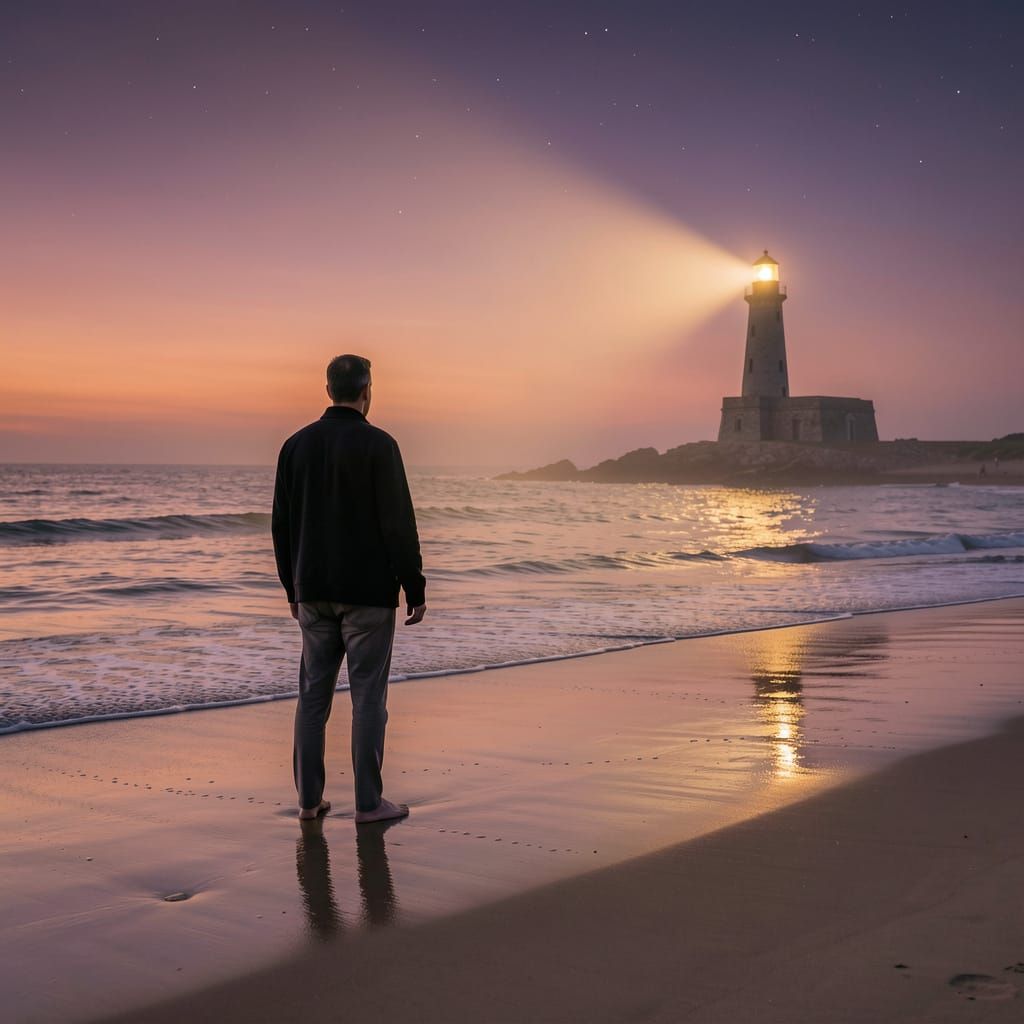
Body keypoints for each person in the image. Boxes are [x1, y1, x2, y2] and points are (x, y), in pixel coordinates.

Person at [272, 354, 426, 823]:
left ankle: (308, 802)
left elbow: (281, 526)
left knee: (313, 699)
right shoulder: (379, 445)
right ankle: (368, 804)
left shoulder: (294, 446)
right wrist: (413, 586)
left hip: (312, 591)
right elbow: (398, 522)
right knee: (367, 701)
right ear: (367, 391)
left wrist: (291, 589)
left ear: (328, 390)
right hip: (367, 594)